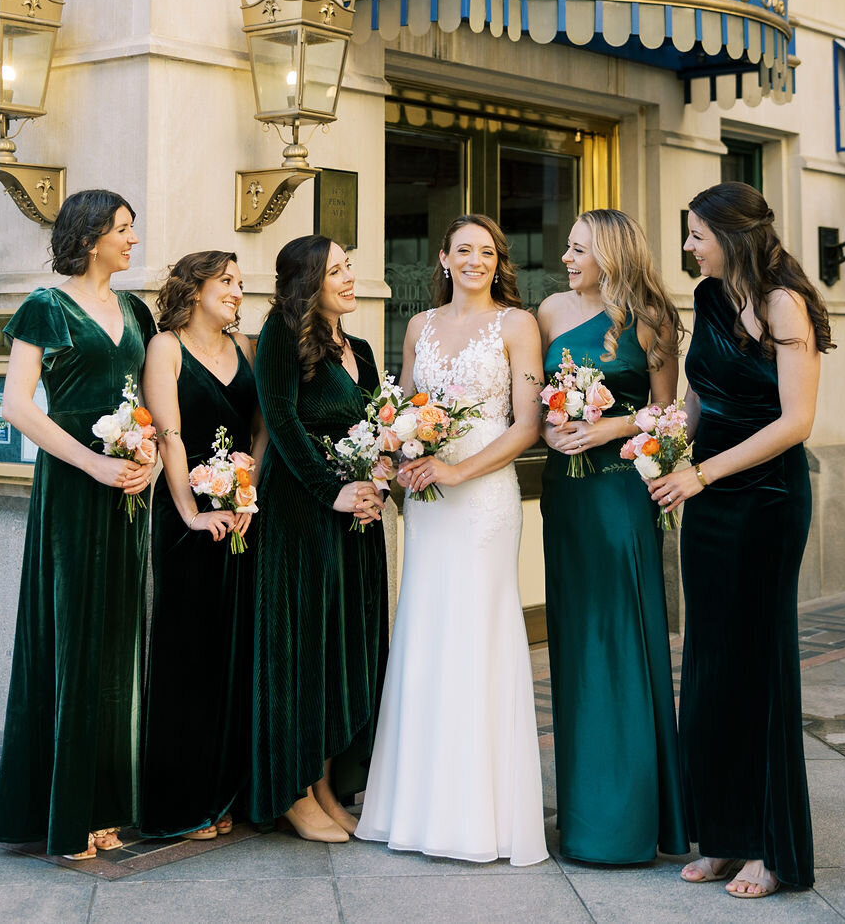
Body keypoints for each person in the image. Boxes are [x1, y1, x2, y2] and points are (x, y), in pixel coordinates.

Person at [650, 183, 832, 898]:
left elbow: (796, 422)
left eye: (697, 234)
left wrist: (702, 473)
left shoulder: (787, 302)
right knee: (711, 664)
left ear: (732, 234)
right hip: (709, 493)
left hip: (767, 500)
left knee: (757, 668)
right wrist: (666, 452)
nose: (690, 246)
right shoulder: (707, 296)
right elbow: (701, 395)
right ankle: (721, 835)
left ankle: (768, 847)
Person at [356, 213, 547, 866]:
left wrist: (458, 468)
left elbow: (527, 426)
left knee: (476, 634)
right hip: (428, 504)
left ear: (500, 261)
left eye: (487, 251)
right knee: (426, 632)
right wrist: (390, 461)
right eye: (463, 250)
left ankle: (480, 818)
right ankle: (414, 807)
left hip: (484, 501)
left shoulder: (518, 325)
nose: (475, 260)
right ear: (442, 259)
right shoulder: (419, 326)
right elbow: (402, 407)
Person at [0, 190, 156, 860]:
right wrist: (91, 461)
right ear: (90, 237)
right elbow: (16, 404)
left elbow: (142, 398)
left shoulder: (136, 309)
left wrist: (143, 453)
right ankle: (64, 812)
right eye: (123, 230)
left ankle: (107, 804)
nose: (133, 241)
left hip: (127, 491)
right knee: (72, 641)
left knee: (117, 652)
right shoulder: (45, 307)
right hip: (71, 487)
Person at [537, 209, 688, 866]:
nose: (567, 259)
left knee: (622, 639)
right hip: (565, 493)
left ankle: (626, 822)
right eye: (567, 248)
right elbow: (536, 402)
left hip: (621, 492)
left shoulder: (652, 318)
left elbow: (670, 415)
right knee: (573, 643)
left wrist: (606, 429)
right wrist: (552, 432)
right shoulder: (547, 311)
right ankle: (582, 817)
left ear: (611, 253)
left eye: (579, 249)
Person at [251, 236, 388, 842]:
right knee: (305, 646)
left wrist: (376, 484)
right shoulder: (281, 335)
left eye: (349, 267)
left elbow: (381, 423)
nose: (350, 277)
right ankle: (294, 792)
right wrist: (330, 489)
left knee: (345, 646)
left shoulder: (358, 346)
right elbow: (279, 419)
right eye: (337, 270)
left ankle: (330, 784)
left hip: (355, 513)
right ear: (309, 280)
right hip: (302, 508)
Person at [139, 250, 267, 840]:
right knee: (187, 656)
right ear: (194, 288)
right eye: (227, 283)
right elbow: (168, 434)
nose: (239, 293)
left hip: (241, 519)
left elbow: (261, 430)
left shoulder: (245, 349)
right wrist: (191, 512)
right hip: (186, 521)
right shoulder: (166, 347)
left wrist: (246, 494)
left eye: (241, 284)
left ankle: (223, 797)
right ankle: (181, 804)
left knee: (234, 654)